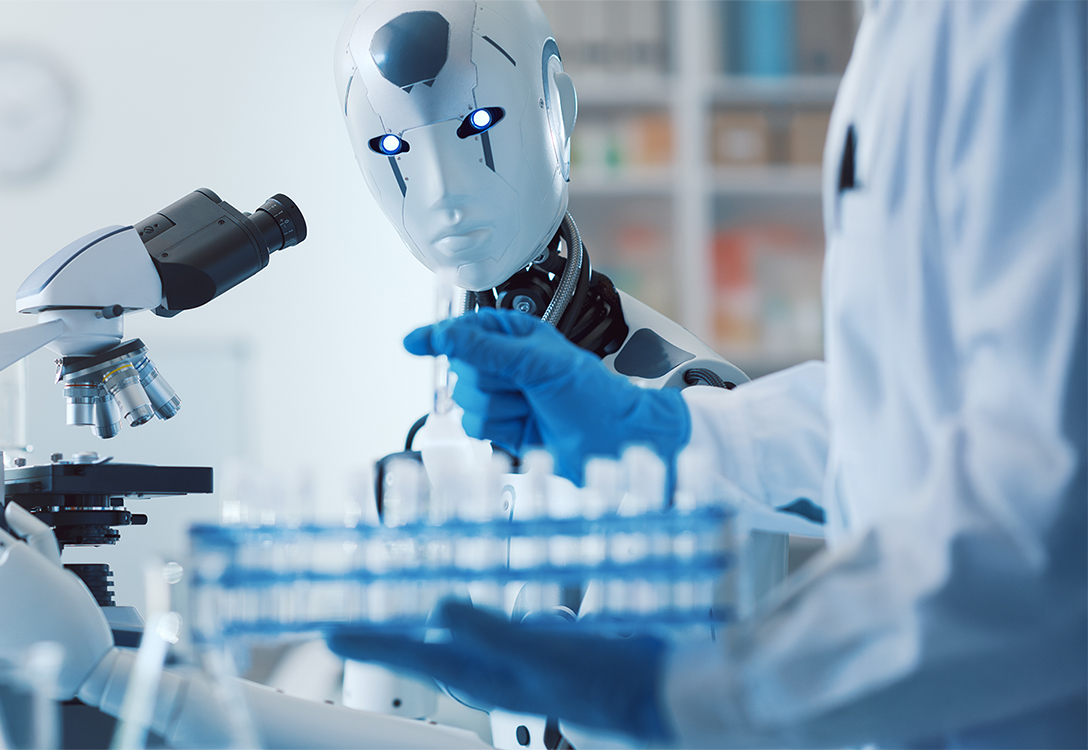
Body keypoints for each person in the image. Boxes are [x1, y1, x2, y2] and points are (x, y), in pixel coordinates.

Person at [328, 1, 1087, 747]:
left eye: (479, 124)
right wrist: (671, 437)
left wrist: (704, 691)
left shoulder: (1027, 27)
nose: (444, 191)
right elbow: (910, 416)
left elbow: (1046, 523)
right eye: (392, 149)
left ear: (556, 107)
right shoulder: (909, 30)